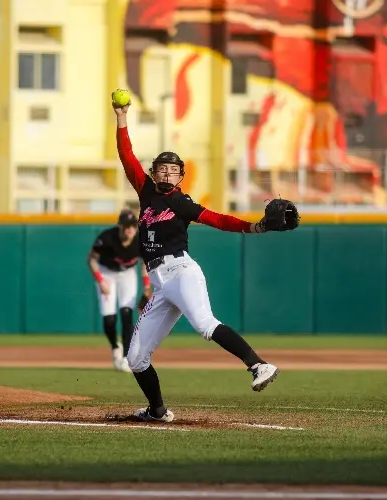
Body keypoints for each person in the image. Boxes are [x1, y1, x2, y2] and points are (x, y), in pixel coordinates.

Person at [112, 96, 294, 423]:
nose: (166, 173)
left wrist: (257, 227)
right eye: (161, 169)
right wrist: (122, 117)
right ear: (153, 173)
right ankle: (157, 411)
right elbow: (127, 156)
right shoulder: (146, 193)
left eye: (173, 170)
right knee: (136, 357)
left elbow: (219, 220)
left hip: (181, 272)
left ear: (181, 176)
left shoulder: (182, 203)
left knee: (205, 325)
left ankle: (259, 365)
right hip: (160, 285)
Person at [88, 209, 153, 372]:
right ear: (120, 227)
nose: (130, 229)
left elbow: (144, 263)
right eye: (126, 226)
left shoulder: (141, 240)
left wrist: (146, 286)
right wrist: (100, 280)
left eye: (133, 225)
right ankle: (114, 346)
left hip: (127, 275)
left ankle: (126, 357)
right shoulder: (107, 238)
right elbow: (91, 259)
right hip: (106, 273)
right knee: (109, 319)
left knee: (126, 313)